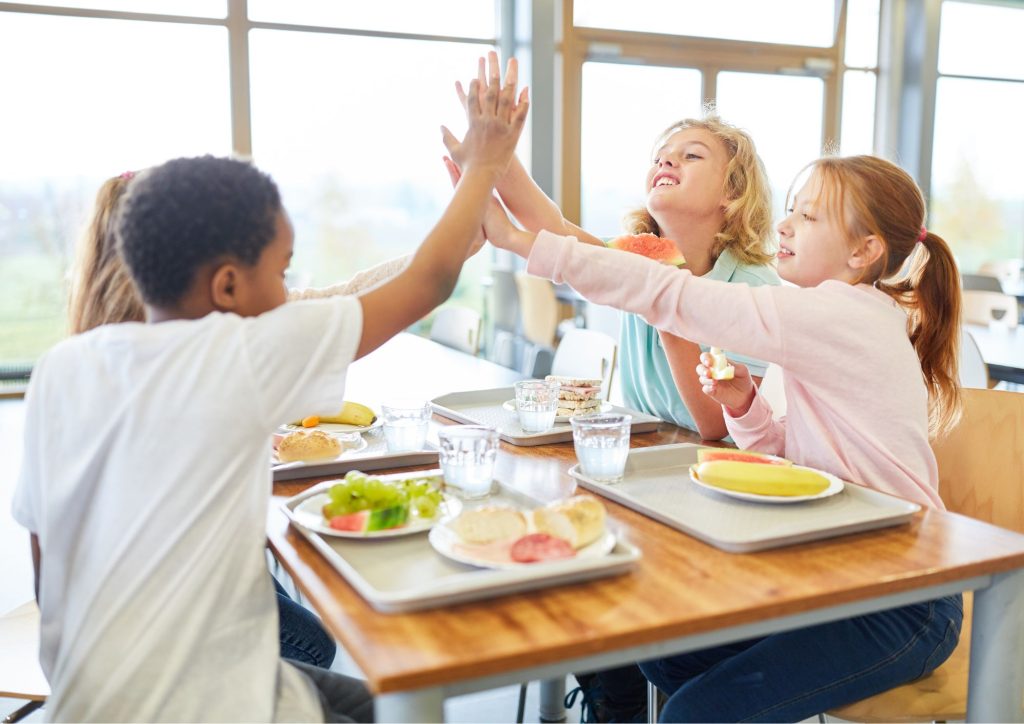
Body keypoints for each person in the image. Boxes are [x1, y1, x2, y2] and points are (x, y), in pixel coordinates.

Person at [13, 62, 528, 722]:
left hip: (85, 702)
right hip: (208, 708)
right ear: (227, 286)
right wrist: (485, 161)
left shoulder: (63, 368)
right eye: (282, 272)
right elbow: (429, 282)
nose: (288, 293)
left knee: (361, 700)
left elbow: (41, 553)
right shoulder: (243, 355)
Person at [483, 153, 964, 721]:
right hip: (840, 573)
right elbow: (790, 460)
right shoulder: (834, 316)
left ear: (863, 251)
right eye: (790, 210)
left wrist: (522, 243)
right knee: (665, 657)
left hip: (901, 600)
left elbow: (674, 296)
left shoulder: (836, 314)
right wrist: (746, 405)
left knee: (689, 713)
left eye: (808, 218)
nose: (784, 226)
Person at [444, 51, 779, 442]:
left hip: (717, 465)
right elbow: (553, 227)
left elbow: (714, 425)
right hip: (646, 443)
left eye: (691, 155)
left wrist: (659, 297)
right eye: (660, 157)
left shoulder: (756, 287)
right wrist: (496, 153)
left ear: (733, 191)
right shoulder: (637, 255)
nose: (667, 161)